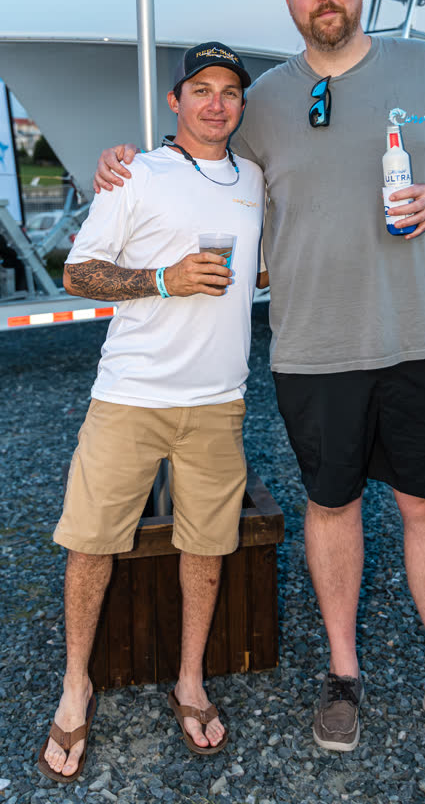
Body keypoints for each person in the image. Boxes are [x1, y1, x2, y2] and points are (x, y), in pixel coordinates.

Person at [93, 0, 425, 764]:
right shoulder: (266, 101)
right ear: (288, 2)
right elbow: (201, 161)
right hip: (315, 349)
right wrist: (122, 163)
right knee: (331, 506)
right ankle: (342, 674)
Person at [38, 42, 266, 782]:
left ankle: (190, 681)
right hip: (130, 395)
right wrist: (164, 279)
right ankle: (76, 686)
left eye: (229, 91)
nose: (215, 103)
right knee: (90, 543)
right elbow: (78, 272)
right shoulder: (135, 172)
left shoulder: (254, 179)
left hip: (218, 399)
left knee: (207, 545)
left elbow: (259, 271)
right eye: (201, 89)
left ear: (240, 104)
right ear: (176, 100)